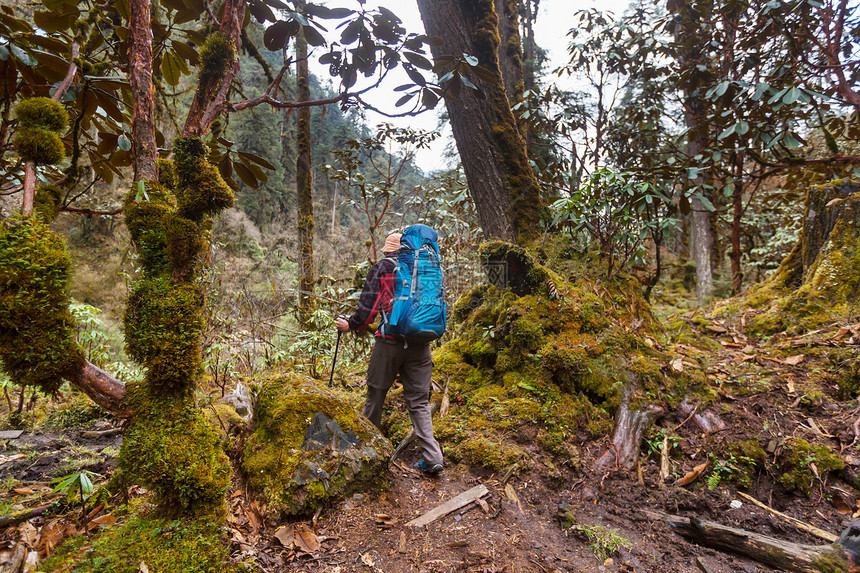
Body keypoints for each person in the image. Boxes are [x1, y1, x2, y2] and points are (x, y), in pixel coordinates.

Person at [336, 232, 444, 476]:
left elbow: (367, 312)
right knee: (419, 402)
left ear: (389, 250)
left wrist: (350, 325)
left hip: (389, 343)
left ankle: (368, 452)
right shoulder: (426, 268)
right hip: (421, 343)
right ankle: (433, 457)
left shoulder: (384, 267)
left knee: (376, 394)